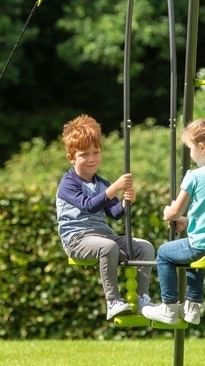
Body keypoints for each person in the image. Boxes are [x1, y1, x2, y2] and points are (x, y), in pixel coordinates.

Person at [143, 118, 205, 326]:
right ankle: (192, 308)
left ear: (202, 147)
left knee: (164, 253)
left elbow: (174, 211)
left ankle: (169, 308)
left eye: (190, 148)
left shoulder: (195, 176)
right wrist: (187, 221)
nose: (190, 153)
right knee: (193, 252)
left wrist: (168, 213)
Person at [55, 114, 156, 320]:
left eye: (96, 152)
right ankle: (113, 301)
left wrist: (126, 202)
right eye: (84, 155)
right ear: (71, 158)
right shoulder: (68, 183)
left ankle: (142, 298)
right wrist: (115, 188)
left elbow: (115, 214)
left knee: (145, 247)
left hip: (104, 236)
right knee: (107, 247)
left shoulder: (102, 183)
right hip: (77, 239)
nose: (91, 159)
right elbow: (89, 206)